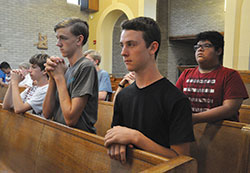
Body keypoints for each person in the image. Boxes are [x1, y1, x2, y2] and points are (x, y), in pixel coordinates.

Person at [104, 17, 194, 164]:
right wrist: (116, 142)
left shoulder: (176, 100)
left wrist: (136, 137)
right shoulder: (123, 96)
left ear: (152, 48)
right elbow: (115, 135)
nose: (123, 52)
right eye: (122, 45)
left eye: (131, 45)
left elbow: (182, 160)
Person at [176, 31, 248, 124]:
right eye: (197, 47)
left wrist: (194, 118)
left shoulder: (230, 75)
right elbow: (176, 100)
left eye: (206, 45)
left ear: (218, 51)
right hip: (190, 129)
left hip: (222, 132)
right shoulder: (186, 73)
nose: (200, 49)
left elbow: (230, 108)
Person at [43, 17, 98, 133]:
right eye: (57, 38)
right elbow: (47, 113)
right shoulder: (66, 69)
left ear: (79, 40)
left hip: (80, 138)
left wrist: (59, 77)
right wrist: (52, 76)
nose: (58, 44)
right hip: (61, 133)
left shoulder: (86, 67)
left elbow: (71, 119)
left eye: (63, 38)